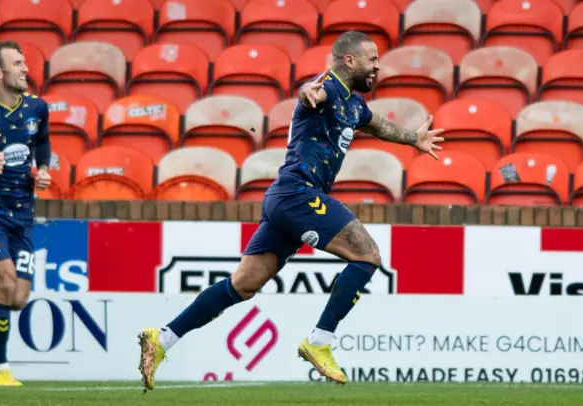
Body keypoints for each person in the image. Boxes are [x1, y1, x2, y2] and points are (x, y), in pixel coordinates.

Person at [138, 30, 444, 390]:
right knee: (368, 255)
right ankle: (319, 341)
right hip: (299, 194)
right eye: (372, 59)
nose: (378, 66)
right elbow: (311, 91)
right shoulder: (327, 87)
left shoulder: (354, 103)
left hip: (284, 198)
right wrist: (308, 92)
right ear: (349, 60)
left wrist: (415, 139)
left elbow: (377, 124)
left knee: (244, 284)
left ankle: (162, 339)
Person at [0, 40, 52, 387]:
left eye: (25, 62)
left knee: (18, 299)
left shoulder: (38, 107)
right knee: (5, 284)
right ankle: (0, 370)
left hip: (22, 214)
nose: (26, 69)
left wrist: (45, 170)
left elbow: (42, 143)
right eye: (18, 63)